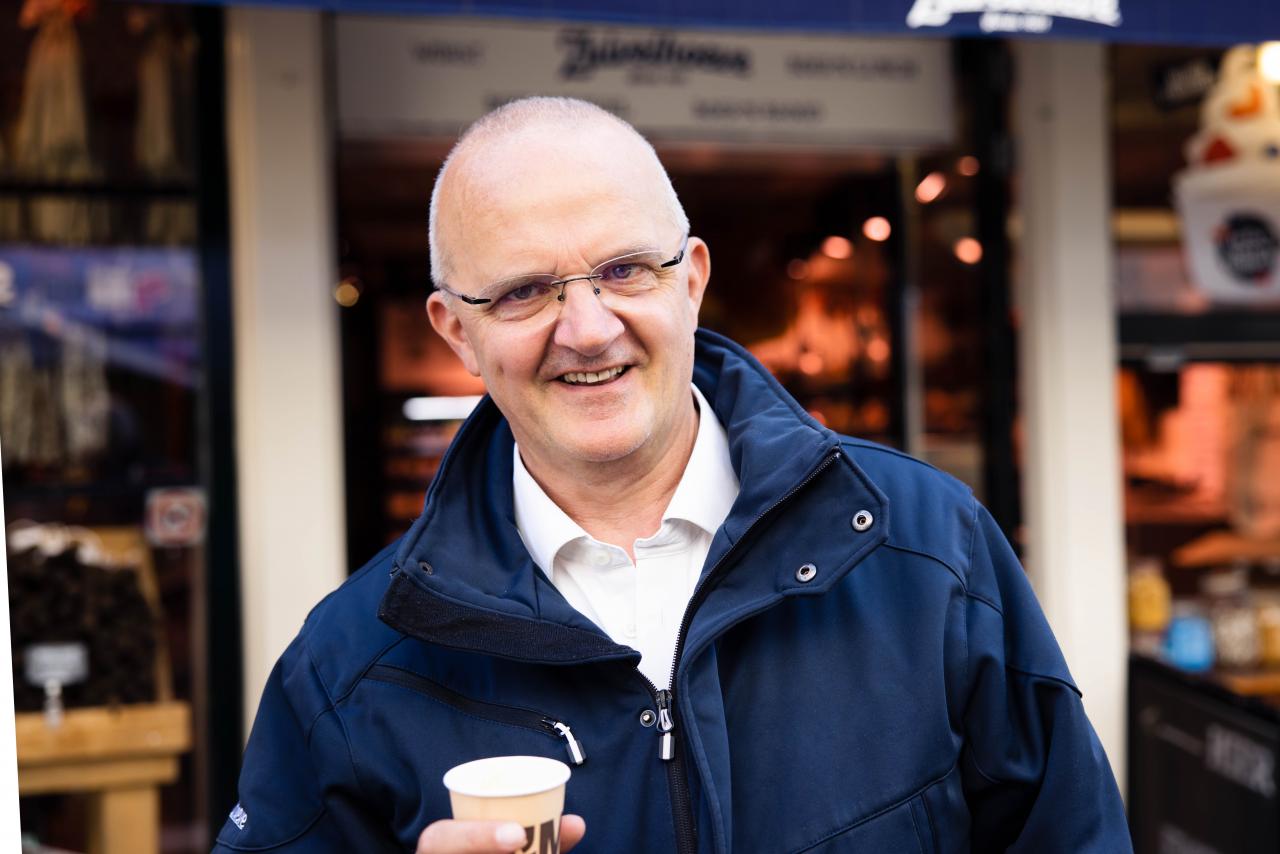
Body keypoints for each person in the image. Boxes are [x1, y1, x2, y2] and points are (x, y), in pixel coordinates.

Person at [213, 96, 1131, 854]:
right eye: (525, 291)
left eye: (624, 270)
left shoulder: (926, 545)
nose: (587, 328)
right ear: (457, 331)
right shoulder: (349, 669)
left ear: (689, 279)